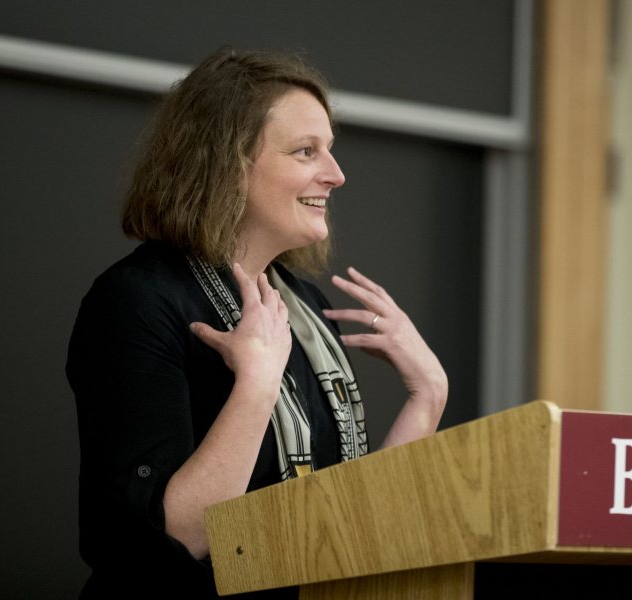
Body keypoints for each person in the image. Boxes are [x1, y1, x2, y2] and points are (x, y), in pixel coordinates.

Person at [66, 48, 448, 598]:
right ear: (226, 164)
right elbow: (167, 538)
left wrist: (427, 395)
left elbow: (350, 524)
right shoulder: (137, 300)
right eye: (305, 151)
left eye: (330, 151)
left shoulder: (304, 305)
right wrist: (256, 387)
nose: (336, 175)